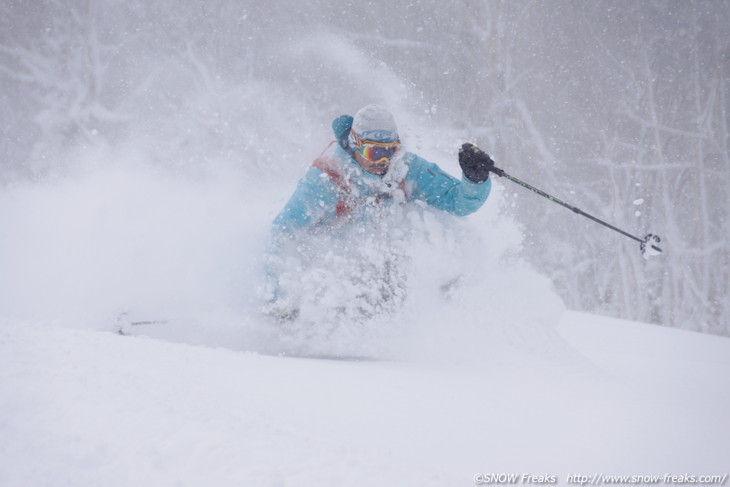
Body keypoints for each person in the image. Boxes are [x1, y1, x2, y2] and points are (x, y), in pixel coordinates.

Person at [264, 104, 497, 313]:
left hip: (387, 265)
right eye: (375, 152)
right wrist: (279, 295)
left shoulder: (406, 168)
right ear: (356, 145)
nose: (383, 161)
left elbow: (457, 203)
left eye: (391, 151)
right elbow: (283, 231)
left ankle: (434, 306)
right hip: (329, 266)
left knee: (433, 225)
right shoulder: (327, 178)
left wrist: (474, 180)